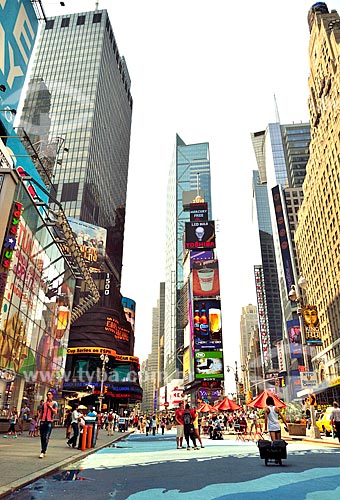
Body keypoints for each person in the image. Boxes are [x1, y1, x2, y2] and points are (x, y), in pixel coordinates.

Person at [38, 391, 58, 458]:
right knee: (42, 437)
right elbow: (41, 413)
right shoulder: (44, 404)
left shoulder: (54, 403)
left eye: (49, 394)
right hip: (43, 421)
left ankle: (43, 451)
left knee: (46, 436)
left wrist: (50, 407)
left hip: (49, 421)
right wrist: (37, 421)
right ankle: (43, 449)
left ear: (52, 395)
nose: (48, 396)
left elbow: (55, 412)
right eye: (47, 394)